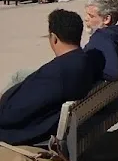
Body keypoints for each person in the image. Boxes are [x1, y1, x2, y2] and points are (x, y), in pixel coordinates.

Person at [0, 9, 105, 145]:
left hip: (27, 134)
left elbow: (12, 116)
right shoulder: (83, 61)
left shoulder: (57, 73)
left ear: (54, 38)